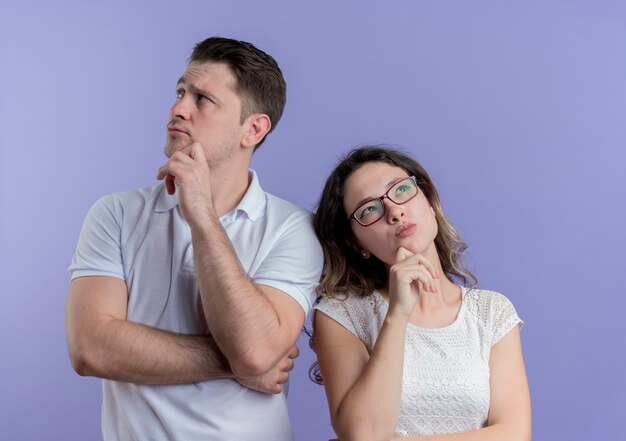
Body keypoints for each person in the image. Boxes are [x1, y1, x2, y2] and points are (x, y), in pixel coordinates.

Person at [65, 36, 323, 441]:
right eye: (181, 91)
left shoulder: (293, 228)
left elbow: (255, 349)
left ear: (253, 129)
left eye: (203, 99)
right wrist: (235, 364)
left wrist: (202, 217)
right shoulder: (115, 214)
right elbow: (91, 348)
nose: (178, 108)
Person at [311, 146, 531, 441]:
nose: (394, 211)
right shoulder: (341, 315)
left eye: (401, 190)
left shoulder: (492, 312)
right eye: (369, 210)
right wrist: (397, 315)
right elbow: (363, 434)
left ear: (429, 202)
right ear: (356, 243)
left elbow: (515, 435)